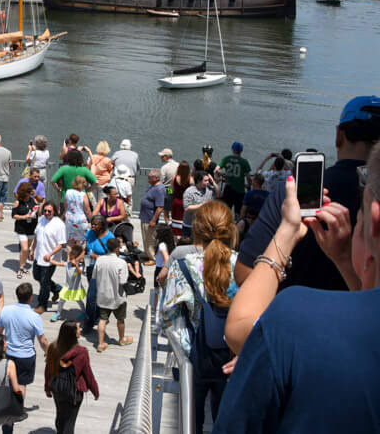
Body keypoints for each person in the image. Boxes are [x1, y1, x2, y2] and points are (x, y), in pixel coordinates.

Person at [213, 157, 380, 434]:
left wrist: (288, 230)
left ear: (374, 221)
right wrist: (343, 261)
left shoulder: (295, 319)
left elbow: (238, 326)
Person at [235, 95, 380, 291]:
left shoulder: (290, 195)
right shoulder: (371, 199)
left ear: (339, 136)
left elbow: (243, 275)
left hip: (286, 307)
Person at [160, 201, 237, 432]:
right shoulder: (242, 265)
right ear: (231, 229)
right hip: (233, 358)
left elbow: (170, 318)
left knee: (191, 420)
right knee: (225, 419)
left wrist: (191, 353)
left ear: (197, 229)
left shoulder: (182, 266)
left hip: (196, 358)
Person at [45, 321, 99, 434]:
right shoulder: (81, 352)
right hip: (74, 391)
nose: (80, 330)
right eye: (78, 328)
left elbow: (48, 369)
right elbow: (88, 374)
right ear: (73, 333)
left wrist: (47, 387)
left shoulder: (53, 347)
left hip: (57, 388)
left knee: (60, 415)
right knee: (70, 421)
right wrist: (95, 391)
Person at [0, 283, 49, 397]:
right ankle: (18, 407)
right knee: (21, 385)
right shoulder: (34, 316)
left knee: (9, 382)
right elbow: (43, 341)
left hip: (8, 354)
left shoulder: (5, 310)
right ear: (31, 298)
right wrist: (48, 352)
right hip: (26, 356)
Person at [93, 238, 132, 352]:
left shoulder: (99, 260)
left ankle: (100, 344)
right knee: (120, 319)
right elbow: (122, 282)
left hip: (102, 296)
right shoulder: (121, 262)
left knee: (103, 319)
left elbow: (94, 276)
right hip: (117, 297)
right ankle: (122, 339)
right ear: (117, 248)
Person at [83, 215, 115, 333]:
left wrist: (98, 257)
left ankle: (89, 322)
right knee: (94, 294)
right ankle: (97, 316)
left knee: (91, 296)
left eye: (95, 224)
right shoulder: (90, 233)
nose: (92, 226)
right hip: (90, 267)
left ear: (102, 225)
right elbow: (86, 246)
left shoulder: (110, 237)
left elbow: (113, 256)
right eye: (92, 224)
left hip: (103, 269)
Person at [33, 201, 66, 314]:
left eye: (49, 211)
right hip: (38, 255)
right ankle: (57, 289)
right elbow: (36, 235)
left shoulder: (59, 224)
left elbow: (61, 244)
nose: (46, 213)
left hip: (49, 259)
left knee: (44, 283)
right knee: (36, 276)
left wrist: (50, 254)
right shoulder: (41, 219)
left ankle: (42, 305)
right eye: (45, 210)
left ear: (54, 211)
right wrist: (32, 250)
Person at [215, 141, 251, 218]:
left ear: (232, 149)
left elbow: (216, 170)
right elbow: (248, 177)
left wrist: (221, 176)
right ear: (241, 150)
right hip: (240, 190)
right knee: (238, 212)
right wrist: (249, 185)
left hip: (228, 189)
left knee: (226, 211)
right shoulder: (244, 162)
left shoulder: (226, 159)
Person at [53, 241, 87, 322]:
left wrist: (76, 265)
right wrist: (49, 261)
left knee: (79, 300)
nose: (71, 260)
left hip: (76, 288)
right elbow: (58, 263)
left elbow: (80, 272)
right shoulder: (68, 264)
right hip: (67, 287)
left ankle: (84, 312)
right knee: (62, 300)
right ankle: (58, 313)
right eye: (70, 258)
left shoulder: (80, 266)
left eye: (72, 258)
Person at [139, 170, 166, 264]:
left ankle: (152, 258)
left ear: (156, 178)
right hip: (145, 216)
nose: (148, 179)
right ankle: (147, 253)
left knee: (150, 239)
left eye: (150, 177)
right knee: (146, 237)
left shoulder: (159, 189)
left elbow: (160, 207)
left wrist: (154, 220)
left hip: (150, 218)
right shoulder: (153, 186)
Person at [12, 182, 38, 277]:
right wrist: (25, 217)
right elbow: (14, 215)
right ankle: (20, 268)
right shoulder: (18, 202)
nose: (30, 193)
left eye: (30, 191)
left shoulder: (33, 200)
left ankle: (22, 265)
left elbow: (38, 210)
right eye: (28, 192)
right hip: (21, 228)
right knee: (25, 248)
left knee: (26, 250)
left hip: (31, 228)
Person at [183, 170, 216, 240]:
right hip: (190, 226)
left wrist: (213, 181)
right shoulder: (189, 191)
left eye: (208, 180)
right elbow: (187, 208)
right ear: (198, 181)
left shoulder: (209, 189)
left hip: (204, 226)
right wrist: (203, 205)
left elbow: (219, 194)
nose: (208, 182)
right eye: (205, 180)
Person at [238, 173, 269, 239]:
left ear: (255, 182)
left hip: (250, 220)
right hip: (262, 221)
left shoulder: (249, 194)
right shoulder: (267, 194)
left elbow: (243, 210)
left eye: (253, 179)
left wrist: (240, 219)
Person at [64, 176, 92, 244]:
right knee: (82, 240)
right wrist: (92, 219)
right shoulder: (83, 194)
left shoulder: (68, 192)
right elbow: (87, 210)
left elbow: (65, 207)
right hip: (80, 219)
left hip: (69, 218)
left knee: (70, 240)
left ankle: (70, 251)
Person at [170, 161, 191, 238]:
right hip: (186, 203)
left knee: (175, 221)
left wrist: (166, 190)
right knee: (184, 221)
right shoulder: (190, 179)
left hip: (176, 201)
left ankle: (176, 237)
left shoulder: (175, 177)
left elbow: (171, 190)